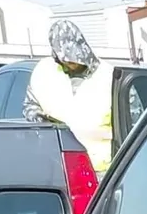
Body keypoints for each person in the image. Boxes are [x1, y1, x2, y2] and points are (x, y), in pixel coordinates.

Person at [22, 19, 115, 172]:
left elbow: (132, 124)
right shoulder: (44, 72)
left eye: (74, 56)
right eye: (65, 57)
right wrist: (45, 125)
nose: (71, 62)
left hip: (103, 172)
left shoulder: (109, 76)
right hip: (58, 168)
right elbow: (30, 107)